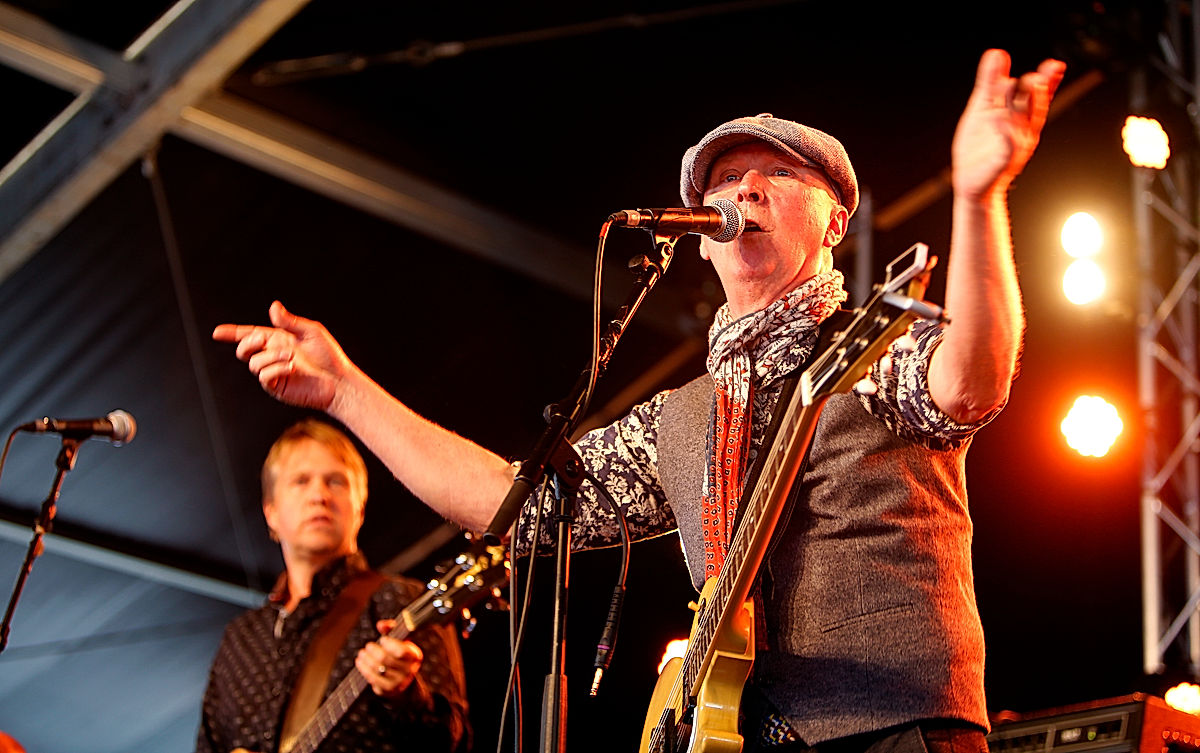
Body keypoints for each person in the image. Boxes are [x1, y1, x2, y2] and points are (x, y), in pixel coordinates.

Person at [213, 49, 1064, 753]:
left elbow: (969, 381)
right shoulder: (683, 417)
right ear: (699, 232)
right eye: (725, 181)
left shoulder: (874, 344)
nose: (746, 191)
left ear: (836, 221)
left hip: (895, 728)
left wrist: (978, 198)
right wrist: (345, 391)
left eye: (777, 173)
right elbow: (507, 502)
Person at [195, 419, 469, 753]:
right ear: (271, 512)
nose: (319, 495)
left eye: (336, 481)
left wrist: (407, 697)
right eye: (301, 481)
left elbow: (455, 744)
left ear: (360, 509)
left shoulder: (398, 601)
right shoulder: (240, 640)